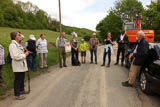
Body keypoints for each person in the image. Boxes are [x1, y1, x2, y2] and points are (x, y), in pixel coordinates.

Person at [9, 31, 29, 100]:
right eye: (19, 35)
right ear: (15, 37)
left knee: (22, 78)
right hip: (17, 65)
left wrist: (24, 53)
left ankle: (22, 90)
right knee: (18, 80)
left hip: (22, 65)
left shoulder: (18, 44)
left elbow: (22, 38)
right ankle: (17, 95)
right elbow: (15, 56)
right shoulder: (13, 45)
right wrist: (25, 54)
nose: (20, 36)